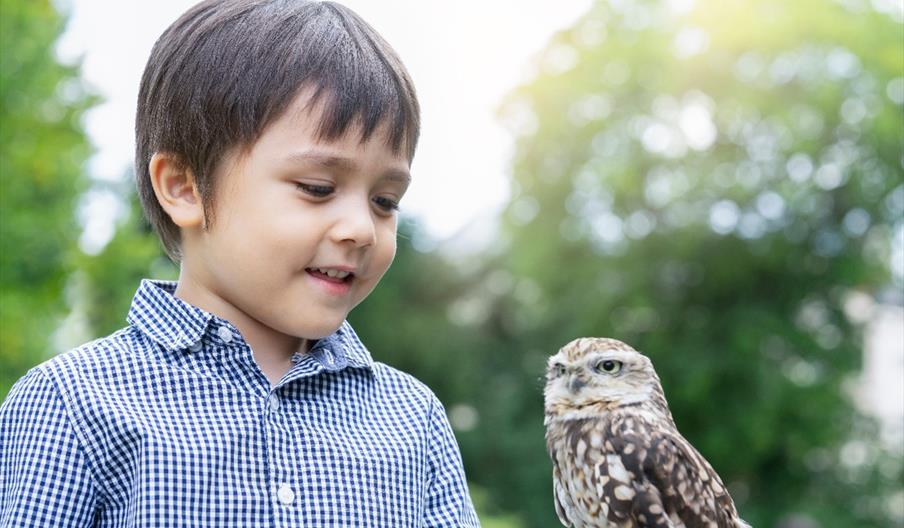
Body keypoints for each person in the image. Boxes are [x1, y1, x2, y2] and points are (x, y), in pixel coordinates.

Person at [0, 1, 480, 526]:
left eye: (385, 201)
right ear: (184, 188)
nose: (362, 229)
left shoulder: (413, 420)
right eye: (318, 188)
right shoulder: (70, 406)